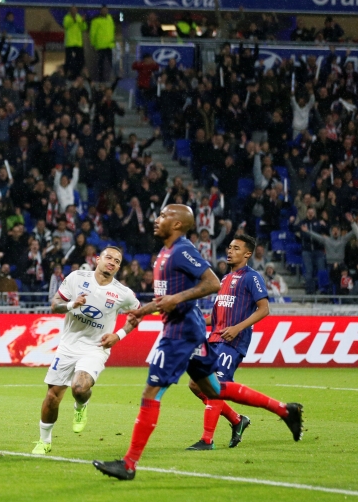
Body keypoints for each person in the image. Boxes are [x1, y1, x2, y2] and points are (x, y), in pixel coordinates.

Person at [93, 206, 302, 481]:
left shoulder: (181, 249)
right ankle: (284, 410)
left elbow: (211, 282)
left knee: (150, 393)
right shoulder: (165, 254)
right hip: (185, 329)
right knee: (213, 388)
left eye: (164, 216)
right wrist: (140, 313)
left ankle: (129, 464)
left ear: (177, 224)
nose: (157, 220)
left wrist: (177, 300)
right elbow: (166, 298)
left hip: (181, 332)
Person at [185, 234, 301, 451]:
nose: (230, 251)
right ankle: (237, 420)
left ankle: (207, 440)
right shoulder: (224, 279)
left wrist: (238, 328)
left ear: (248, 253)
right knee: (195, 384)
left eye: (236, 248)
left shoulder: (252, 277)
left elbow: (264, 308)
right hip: (215, 339)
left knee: (216, 386)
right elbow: (217, 317)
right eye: (229, 247)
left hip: (233, 341)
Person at [32, 245, 140, 454]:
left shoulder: (123, 293)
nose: (112, 262)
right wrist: (73, 304)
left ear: (118, 267)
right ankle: (44, 442)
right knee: (53, 397)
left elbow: (137, 314)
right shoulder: (76, 278)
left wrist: (119, 335)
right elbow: (55, 304)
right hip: (68, 346)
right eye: (109, 258)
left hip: (95, 348)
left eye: (117, 261)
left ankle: (81, 406)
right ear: (97, 259)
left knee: (79, 388)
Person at [89, 5, 115, 84]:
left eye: (106, 10)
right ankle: (101, 79)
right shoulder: (96, 21)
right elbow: (92, 33)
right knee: (101, 63)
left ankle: (111, 78)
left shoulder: (110, 19)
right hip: (100, 45)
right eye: (103, 10)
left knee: (111, 63)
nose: (105, 11)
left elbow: (112, 31)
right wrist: (93, 43)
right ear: (101, 11)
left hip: (109, 45)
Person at [62, 6, 87, 80]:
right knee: (68, 60)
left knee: (80, 60)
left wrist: (82, 21)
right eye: (72, 10)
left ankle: (76, 74)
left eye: (75, 10)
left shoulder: (79, 17)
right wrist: (73, 19)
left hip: (78, 43)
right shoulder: (67, 18)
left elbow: (84, 28)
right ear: (70, 10)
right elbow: (66, 25)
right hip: (70, 43)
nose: (74, 11)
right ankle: (66, 75)